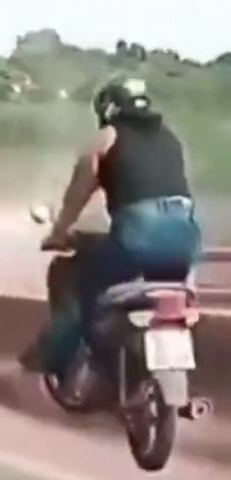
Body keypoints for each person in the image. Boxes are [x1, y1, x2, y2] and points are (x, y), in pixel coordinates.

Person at [34, 75, 202, 377]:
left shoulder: (106, 138)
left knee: (80, 285)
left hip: (137, 241)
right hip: (185, 242)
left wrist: (58, 233)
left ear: (108, 107)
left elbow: (75, 198)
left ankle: (56, 362)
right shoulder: (171, 138)